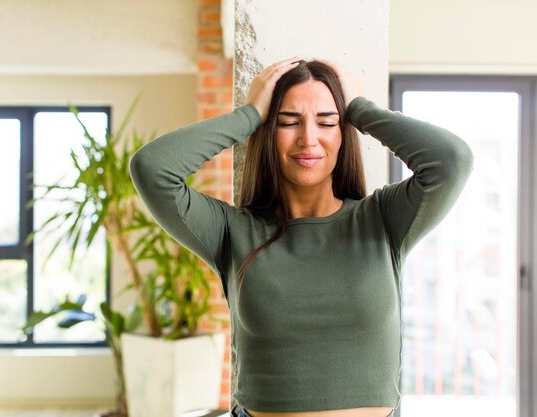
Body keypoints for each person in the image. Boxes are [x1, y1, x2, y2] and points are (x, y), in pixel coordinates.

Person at [129, 57, 474, 417]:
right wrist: (249, 115)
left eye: (327, 122)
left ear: (344, 133)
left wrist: (360, 109)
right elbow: (152, 169)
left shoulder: (383, 219)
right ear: (268, 132)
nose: (308, 139)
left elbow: (451, 161)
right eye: (288, 122)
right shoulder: (233, 231)